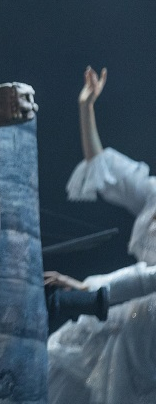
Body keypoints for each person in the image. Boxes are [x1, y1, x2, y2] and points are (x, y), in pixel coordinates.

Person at [46, 66, 156, 403]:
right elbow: (103, 164)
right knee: (59, 355)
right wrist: (86, 107)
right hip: (129, 302)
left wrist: (87, 288)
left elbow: (148, 279)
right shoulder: (153, 192)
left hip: (146, 316)